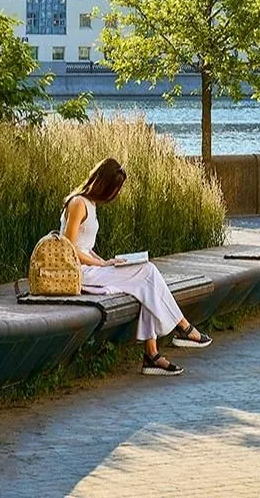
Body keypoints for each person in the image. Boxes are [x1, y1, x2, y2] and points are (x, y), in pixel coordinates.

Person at [61, 158, 211, 376]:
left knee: (145, 284)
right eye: (115, 188)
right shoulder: (78, 203)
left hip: (92, 268)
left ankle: (152, 355)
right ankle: (183, 327)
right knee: (147, 272)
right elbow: (69, 248)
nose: (116, 194)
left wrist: (108, 261)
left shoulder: (91, 205)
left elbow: (86, 247)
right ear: (103, 184)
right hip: (79, 273)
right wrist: (102, 264)